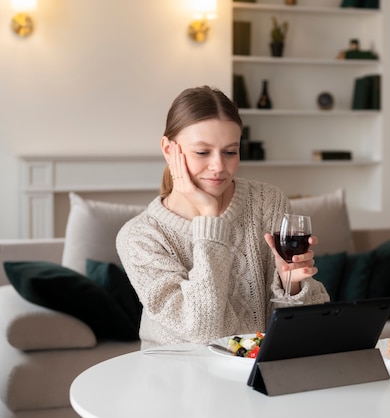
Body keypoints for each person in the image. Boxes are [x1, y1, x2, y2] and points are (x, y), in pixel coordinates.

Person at [116, 86, 329, 349]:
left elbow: (310, 325)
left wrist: (292, 287)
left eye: (230, 152)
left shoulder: (267, 202)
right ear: (169, 150)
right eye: (202, 153)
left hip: (255, 376)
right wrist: (209, 217)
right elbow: (203, 329)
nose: (218, 167)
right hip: (177, 379)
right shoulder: (139, 237)